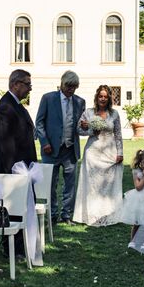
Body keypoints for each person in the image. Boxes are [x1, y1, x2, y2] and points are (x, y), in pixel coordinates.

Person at [0, 69, 37, 257]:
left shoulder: (16, 105)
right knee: (14, 209)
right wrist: (14, 172)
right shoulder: (6, 106)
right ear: (15, 84)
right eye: (27, 84)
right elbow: (6, 143)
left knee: (22, 209)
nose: (30, 89)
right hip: (13, 170)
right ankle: (12, 249)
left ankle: (21, 246)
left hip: (22, 168)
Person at [34, 71, 85, 224]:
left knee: (70, 184)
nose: (71, 90)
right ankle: (53, 214)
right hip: (51, 149)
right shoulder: (48, 98)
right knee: (51, 183)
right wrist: (45, 143)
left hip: (70, 149)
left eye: (74, 87)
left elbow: (79, 127)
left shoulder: (80, 102)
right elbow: (39, 122)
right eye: (69, 86)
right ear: (62, 84)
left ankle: (67, 215)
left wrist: (85, 126)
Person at [73, 84, 124, 226]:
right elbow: (78, 130)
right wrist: (89, 130)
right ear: (97, 97)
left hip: (110, 152)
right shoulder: (88, 112)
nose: (103, 99)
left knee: (108, 184)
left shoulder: (114, 114)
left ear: (109, 99)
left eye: (105, 97)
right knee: (92, 185)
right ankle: (91, 214)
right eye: (100, 96)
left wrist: (120, 153)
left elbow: (118, 134)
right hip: (93, 153)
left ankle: (108, 213)